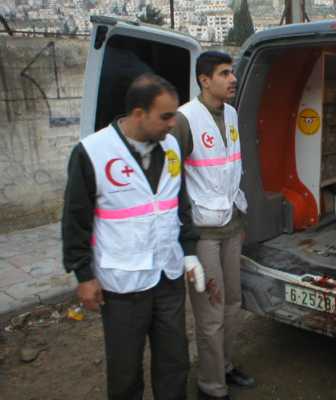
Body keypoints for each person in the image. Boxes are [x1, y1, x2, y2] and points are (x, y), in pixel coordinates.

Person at [62, 73, 205, 400]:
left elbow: (179, 204)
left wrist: (190, 252)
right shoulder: (92, 152)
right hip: (123, 283)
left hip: (167, 277)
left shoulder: (170, 147)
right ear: (138, 114)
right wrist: (83, 275)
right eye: (166, 116)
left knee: (175, 360)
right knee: (125, 370)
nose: (173, 123)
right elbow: (75, 220)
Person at [172, 51, 253, 400]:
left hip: (231, 225)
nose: (233, 79)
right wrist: (184, 242)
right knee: (210, 313)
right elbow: (170, 183)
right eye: (224, 73)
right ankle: (210, 385)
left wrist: (241, 217)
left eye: (233, 72)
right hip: (203, 233)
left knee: (233, 304)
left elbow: (232, 168)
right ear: (205, 80)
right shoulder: (184, 120)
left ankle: (225, 365)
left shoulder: (231, 113)